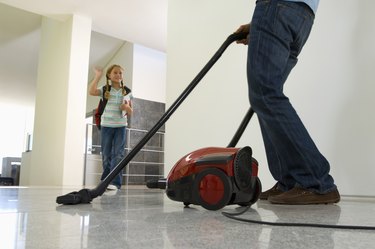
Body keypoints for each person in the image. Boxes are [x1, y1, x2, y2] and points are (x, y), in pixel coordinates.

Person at [235, 0, 340, 204]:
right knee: (265, 97)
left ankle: (316, 181)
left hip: (277, 7)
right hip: (302, 15)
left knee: (265, 95)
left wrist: (266, 14)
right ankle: (291, 181)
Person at [89, 64, 133, 190]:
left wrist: (126, 107)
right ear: (109, 75)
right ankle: (105, 180)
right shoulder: (105, 89)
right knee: (106, 155)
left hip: (120, 126)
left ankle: (115, 183)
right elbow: (91, 91)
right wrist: (97, 76)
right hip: (106, 126)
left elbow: (131, 111)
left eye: (120, 73)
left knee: (118, 155)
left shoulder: (127, 91)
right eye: (115, 72)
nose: (118, 75)